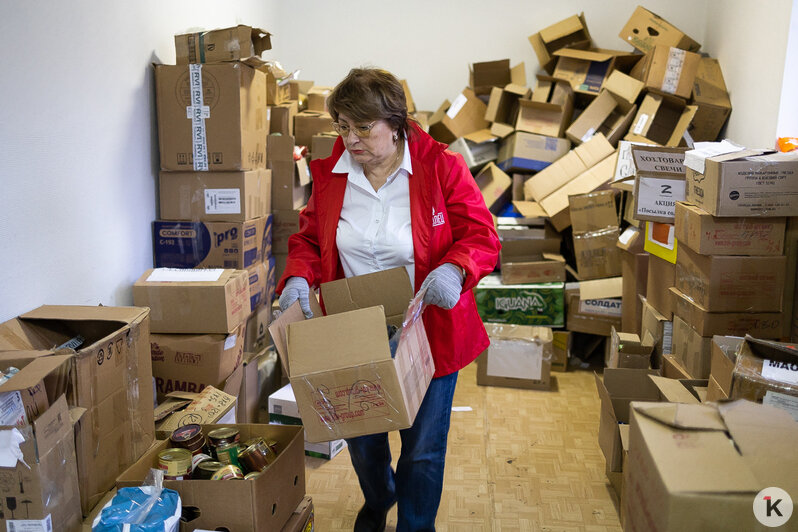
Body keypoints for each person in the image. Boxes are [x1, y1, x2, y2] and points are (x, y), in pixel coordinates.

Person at [277, 67, 500, 532]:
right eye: (342, 125)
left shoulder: (440, 166)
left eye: (363, 127)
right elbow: (310, 239)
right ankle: (379, 500)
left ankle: (415, 525)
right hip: (354, 330)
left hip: (429, 328)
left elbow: (480, 234)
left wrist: (455, 267)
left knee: (422, 449)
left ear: (396, 125)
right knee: (363, 440)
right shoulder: (333, 174)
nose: (350, 138)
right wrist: (298, 277)